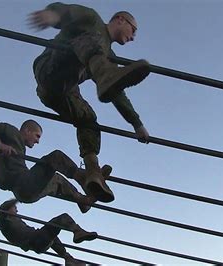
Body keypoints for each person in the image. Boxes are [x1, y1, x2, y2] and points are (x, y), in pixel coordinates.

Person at [29, 2, 151, 203]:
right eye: (133, 30)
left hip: (61, 93)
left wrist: (136, 124)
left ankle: (92, 173)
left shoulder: (108, 57)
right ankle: (103, 76)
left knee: (89, 120)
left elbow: (117, 93)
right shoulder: (92, 19)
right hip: (50, 68)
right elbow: (68, 11)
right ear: (120, 19)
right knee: (89, 40)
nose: (133, 37)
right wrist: (53, 15)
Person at [0, 119, 111, 213]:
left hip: (26, 193)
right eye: (37, 136)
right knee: (55, 157)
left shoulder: (19, 147)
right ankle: (84, 177)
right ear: (27, 130)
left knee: (55, 179)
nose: (37, 141)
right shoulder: (12, 132)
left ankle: (82, 200)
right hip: (22, 184)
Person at [0, 198, 96, 265]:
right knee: (62, 218)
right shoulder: (5, 222)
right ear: (8, 210)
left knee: (52, 235)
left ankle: (69, 259)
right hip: (36, 240)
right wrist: (18, 199)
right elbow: (3, 209)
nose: (17, 211)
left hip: (37, 241)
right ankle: (78, 232)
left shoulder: (13, 220)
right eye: (15, 208)